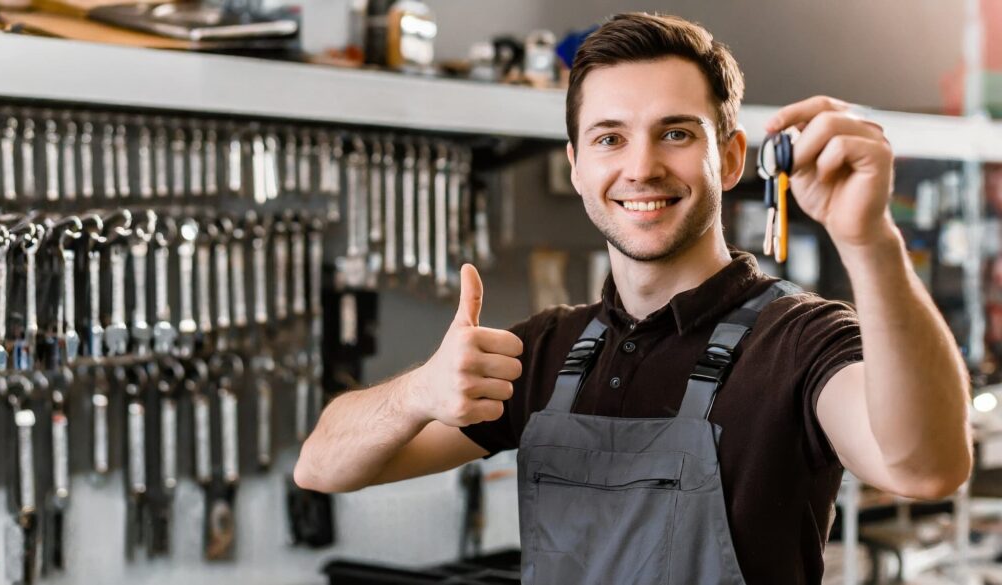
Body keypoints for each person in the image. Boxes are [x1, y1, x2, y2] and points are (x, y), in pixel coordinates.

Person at [294, 12, 972, 584]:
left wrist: (870, 241)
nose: (640, 166)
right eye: (610, 138)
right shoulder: (546, 352)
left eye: (676, 133)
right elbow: (321, 465)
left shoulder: (798, 342)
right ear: (578, 165)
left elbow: (926, 466)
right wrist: (417, 392)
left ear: (731, 159)